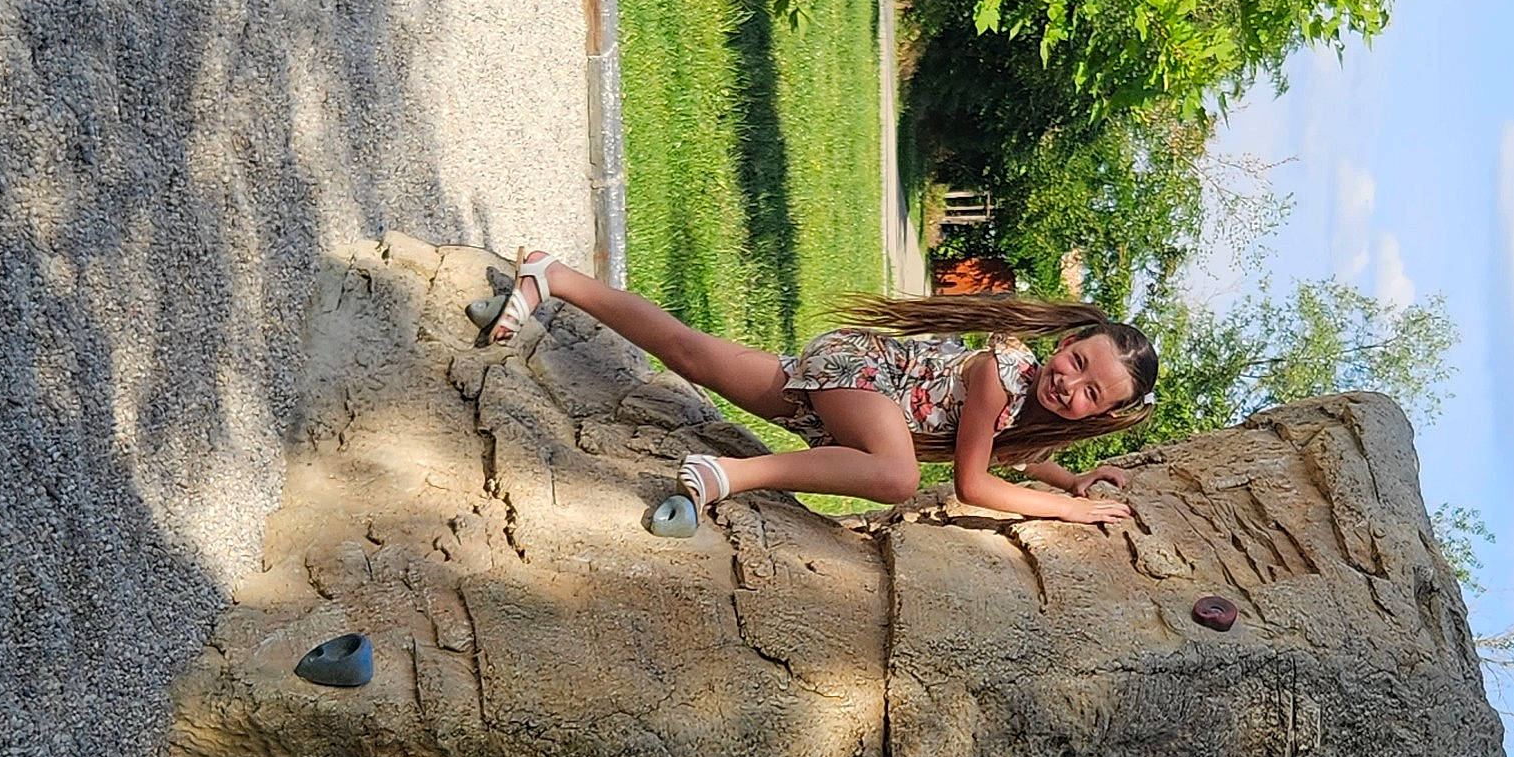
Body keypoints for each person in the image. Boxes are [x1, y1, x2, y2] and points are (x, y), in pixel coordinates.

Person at [467, 252, 1155, 522]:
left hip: (846, 410)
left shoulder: (1021, 412)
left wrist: (1070, 483)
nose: (1074, 387)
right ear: (1065, 343)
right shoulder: (1001, 373)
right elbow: (975, 484)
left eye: (1095, 394)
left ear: (1105, 414)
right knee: (896, 476)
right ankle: (729, 476)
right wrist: (1068, 515)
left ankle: (553, 277)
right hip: (863, 372)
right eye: (1080, 364)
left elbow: (1013, 456)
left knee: (692, 353)